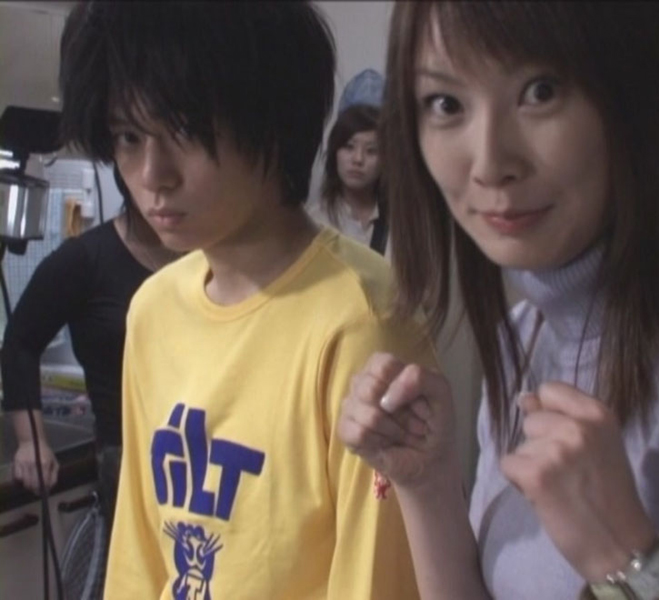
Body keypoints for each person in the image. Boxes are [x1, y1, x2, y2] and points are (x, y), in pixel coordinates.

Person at [337, 2, 659, 599]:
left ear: (636, 96)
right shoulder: (520, 335)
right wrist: (426, 485)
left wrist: (628, 560)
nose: (490, 163)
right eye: (447, 104)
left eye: (541, 91)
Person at [57, 2, 432, 599]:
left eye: (184, 130)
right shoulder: (153, 309)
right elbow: (137, 552)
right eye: (128, 137)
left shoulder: (361, 318)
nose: (152, 174)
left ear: (271, 121)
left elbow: (373, 581)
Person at [1, 165, 177, 531]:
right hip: (127, 456)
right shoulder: (85, 259)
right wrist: (30, 440)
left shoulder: (205, 252)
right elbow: (21, 341)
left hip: (209, 448)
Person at [309, 104, 389, 255]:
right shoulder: (314, 221)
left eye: (371, 151)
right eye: (349, 147)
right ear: (335, 153)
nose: (358, 159)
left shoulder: (402, 223)